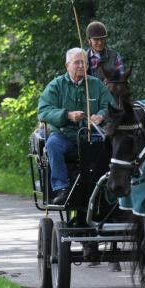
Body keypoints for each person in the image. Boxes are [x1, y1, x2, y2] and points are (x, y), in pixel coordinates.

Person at [38, 47, 112, 205]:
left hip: (91, 136)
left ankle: (107, 189)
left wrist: (100, 116)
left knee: (112, 145)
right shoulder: (56, 86)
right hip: (65, 136)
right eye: (77, 62)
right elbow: (43, 112)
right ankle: (61, 189)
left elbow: (109, 105)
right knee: (52, 144)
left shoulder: (96, 85)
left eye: (84, 63)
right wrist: (67, 115)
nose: (81, 66)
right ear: (67, 65)